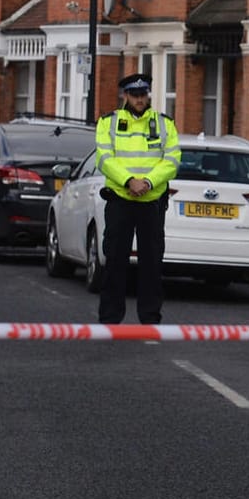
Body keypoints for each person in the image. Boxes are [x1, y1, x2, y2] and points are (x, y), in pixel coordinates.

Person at [94, 72, 180, 325]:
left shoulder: (165, 124)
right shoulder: (108, 123)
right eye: (135, 95)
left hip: (151, 202)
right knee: (115, 262)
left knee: (152, 265)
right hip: (120, 199)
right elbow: (104, 158)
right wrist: (129, 181)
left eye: (143, 95)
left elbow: (172, 161)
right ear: (125, 95)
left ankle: (150, 319)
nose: (140, 100)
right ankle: (110, 319)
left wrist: (148, 182)